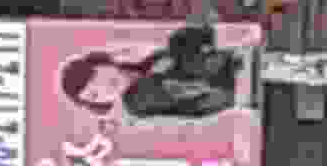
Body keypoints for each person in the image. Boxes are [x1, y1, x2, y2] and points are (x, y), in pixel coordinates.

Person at [58, 24, 246, 125]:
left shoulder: (146, 63)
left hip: (236, 66)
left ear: (102, 63)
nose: (103, 86)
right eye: (94, 95)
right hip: (235, 87)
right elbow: (187, 89)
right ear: (99, 104)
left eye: (94, 76)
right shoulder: (137, 100)